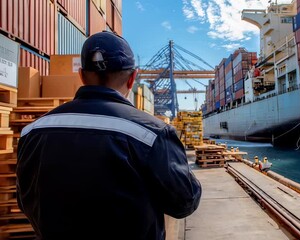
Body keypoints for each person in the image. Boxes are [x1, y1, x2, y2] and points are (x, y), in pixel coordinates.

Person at [16, 31, 202, 240]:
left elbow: (24, 201)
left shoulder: (33, 131)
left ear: (82, 76)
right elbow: (184, 202)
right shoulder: (152, 134)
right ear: (132, 78)